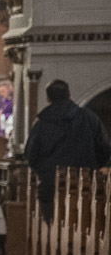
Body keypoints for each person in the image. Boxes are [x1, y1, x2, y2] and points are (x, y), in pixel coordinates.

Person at [25, 79, 111, 219]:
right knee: (86, 226)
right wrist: (92, 168)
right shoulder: (89, 118)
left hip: (51, 186)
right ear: (69, 94)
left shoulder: (41, 123)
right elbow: (105, 148)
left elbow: (31, 156)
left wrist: (46, 171)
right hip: (85, 186)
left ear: (48, 98)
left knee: (51, 230)